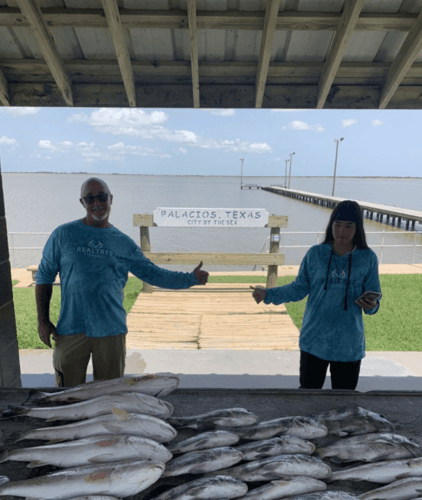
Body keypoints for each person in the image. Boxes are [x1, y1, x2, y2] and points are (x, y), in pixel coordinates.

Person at [35, 177, 209, 387]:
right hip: (71, 328)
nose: (97, 203)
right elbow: (44, 276)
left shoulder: (123, 243)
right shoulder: (63, 235)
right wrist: (43, 321)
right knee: (67, 394)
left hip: (111, 331)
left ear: (111, 199)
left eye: (102, 197)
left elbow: (152, 273)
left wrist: (190, 278)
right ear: (82, 203)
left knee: (110, 395)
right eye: (90, 199)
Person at [252, 200, 381, 390]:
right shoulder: (315, 254)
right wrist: (268, 294)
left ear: (358, 228)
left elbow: (374, 298)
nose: (341, 231)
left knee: (343, 406)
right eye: (337, 224)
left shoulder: (368, 258)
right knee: (307, 400)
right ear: (331, 225)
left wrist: (372, 306)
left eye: (349, 226)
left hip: (349, 345)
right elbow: (298, 288)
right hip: (313, 341)